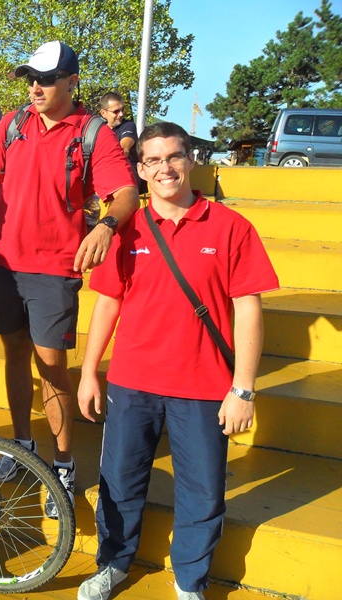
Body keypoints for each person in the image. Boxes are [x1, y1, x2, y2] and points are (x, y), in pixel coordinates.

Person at [76, 122, 279, 600]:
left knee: (202, 491)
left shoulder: (231, 227)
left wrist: (243, 388)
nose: (165, 168)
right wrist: (89, 372)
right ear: (141, 170)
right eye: (153, 160)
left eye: (173, 157)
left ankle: (190, 581)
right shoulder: (127, 229)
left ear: (190, 161)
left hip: (204, 385)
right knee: (119, 482)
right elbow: (107, 302)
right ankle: (113, 564)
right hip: (132, 382)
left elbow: (248, 309)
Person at [0, 41, 139, 519]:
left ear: (72, 81)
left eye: (47, 79)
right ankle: (23, 448)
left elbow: (125, 193)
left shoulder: (93, 132)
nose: (35, 88)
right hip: (0, 262)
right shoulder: (13, 123)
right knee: (14, 353)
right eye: (31, 79)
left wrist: (105, 225)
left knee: (52, 366)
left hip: (53, 268)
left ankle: (62, 466)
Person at [98, 91, 145, 193]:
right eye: (116, 111)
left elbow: (124, 149)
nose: (121, 114)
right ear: (103, 113)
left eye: (122, 110)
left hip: (129, 177)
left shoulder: (128, 125)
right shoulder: (98, 131)